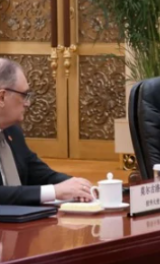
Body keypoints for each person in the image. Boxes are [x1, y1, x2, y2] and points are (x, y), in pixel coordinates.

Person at [0, 59, 93, 205]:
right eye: (24, 95)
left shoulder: (12, 131)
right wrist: (54, 191)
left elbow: (37, 172)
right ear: (2, 97)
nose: (27, 103)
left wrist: (78, 186)